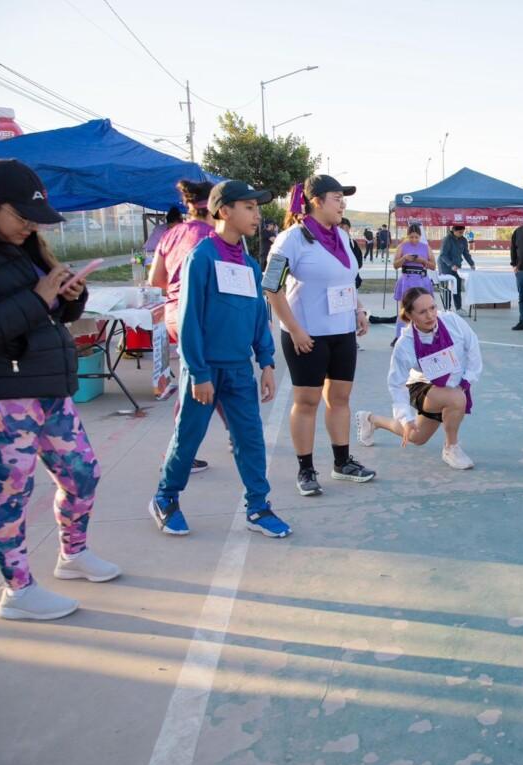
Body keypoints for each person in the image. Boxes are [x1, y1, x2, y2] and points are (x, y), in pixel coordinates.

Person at [0, 158, 120, 621]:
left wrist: (69, 297)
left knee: (83, 473)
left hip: (49, 389)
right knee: (10, 494)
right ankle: (18, 591)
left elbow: (48, 318)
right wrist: (37, 297)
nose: (29, 226)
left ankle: (72, 555)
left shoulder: (29, 249)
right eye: (20, 216)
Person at [150, 180, 291, 538]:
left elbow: (259, 316)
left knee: (250, 439)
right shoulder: (201, 257)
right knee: (189, 436)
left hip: (238, 369)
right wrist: (198, 372)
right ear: (224, 211)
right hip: (205, 368)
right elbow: (189, 319)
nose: (257, 215)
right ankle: (165, 498)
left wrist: (268, 363)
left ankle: (258, 508)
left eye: (257, 208)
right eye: (249, 207)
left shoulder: (248, 263)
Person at [264, 174, 375, 496]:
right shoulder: (290, 240)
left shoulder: (340, 237)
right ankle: (306, 469)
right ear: (316, 201)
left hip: (342, 333)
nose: (342, 204)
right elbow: (272, 286)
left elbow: (345, 279)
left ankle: (342, 462)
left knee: (339, 399)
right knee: (307, 401)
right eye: (337, 197)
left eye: (344, 198)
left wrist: (357, 309)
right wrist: (296, 330)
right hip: (307, 335)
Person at [355, 287, 482, 469]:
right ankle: (451, 448)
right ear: (409, 315)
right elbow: (396, 384)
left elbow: (473, 347)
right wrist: (406, 418)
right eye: (422, 312)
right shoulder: (405, 344)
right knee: (456, 399)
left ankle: (371, 420)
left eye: (432, 308)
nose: (430, 315)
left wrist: (467, 380)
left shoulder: (452, 321)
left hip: (453, 385)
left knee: (417, 438)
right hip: (422, 386)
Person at [149, 179, 218, 473]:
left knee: (215, 376)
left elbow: (156, 279)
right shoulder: (213, 237)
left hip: (174, 312)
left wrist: (177, 289)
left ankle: (237, 433)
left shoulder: (172, 233)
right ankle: (177, 455)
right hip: (201, 315)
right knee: (198, 382)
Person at [391, 223, 435, 340]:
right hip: (407, 280)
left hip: (422, 280)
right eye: (411, 237)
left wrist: (422, 260)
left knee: (424, 308)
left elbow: (433, 266)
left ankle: (425, 335)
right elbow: (395, 265)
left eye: (416, 237)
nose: (414, 239)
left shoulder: (425, 247)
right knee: (405, 309)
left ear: (420, 236)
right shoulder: (402, 246)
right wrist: (404, 258)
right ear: (407, 236)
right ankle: (399, 336)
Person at [438, 224, 475, 311]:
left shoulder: (463, 240)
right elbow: (443, 255)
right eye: (459, 232)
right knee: (447, 288)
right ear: (454, 231)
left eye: (463, 232)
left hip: (457, 267)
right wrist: (451, 265)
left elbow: (466, 253)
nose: (461, 234)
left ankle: (458, 308)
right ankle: (447, 308)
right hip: (445, 266)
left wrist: (471, 264)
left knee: (457, 286)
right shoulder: (447, 239)